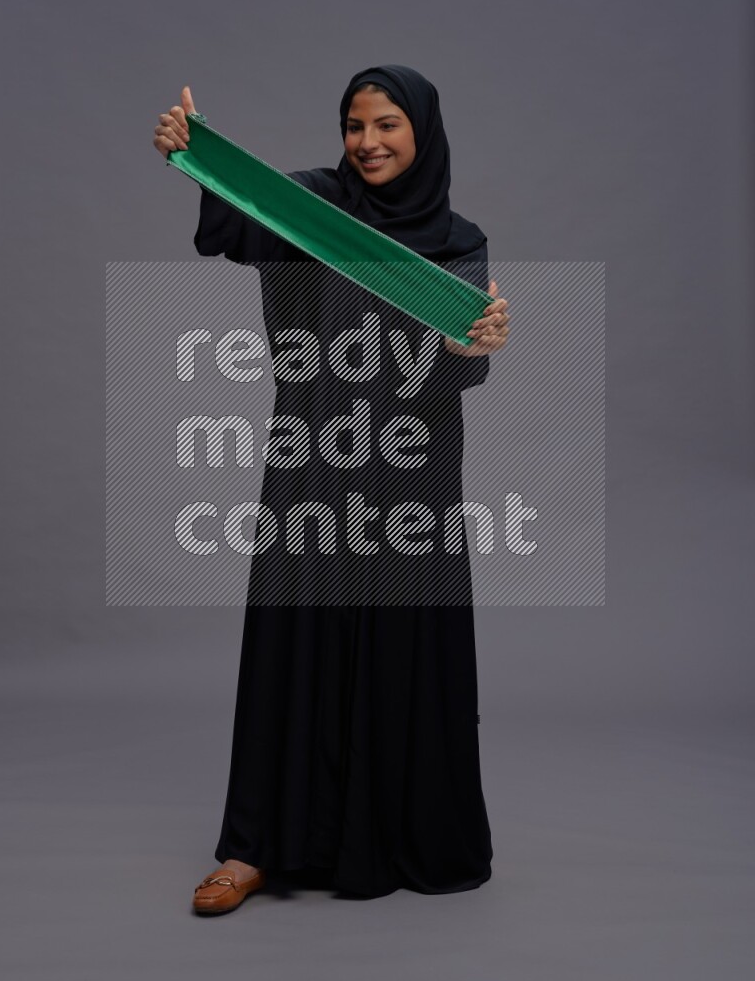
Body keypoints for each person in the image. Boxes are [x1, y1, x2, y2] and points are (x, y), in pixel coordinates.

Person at [153, 65, 510, 914]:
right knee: (295, 638)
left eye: (388, 124)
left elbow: (457, 369)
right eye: (356, 125)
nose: (369, 142)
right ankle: (253, 847)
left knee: (402, 643)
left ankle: (393, 835)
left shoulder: (458, 238)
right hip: (313, 458)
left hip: (412, 472)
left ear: (422, 132)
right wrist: (192, 157)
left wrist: (474, 347)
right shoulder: (315, 208)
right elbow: (239, 223)